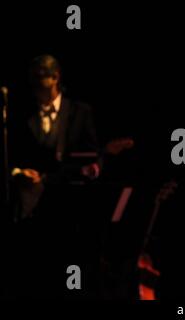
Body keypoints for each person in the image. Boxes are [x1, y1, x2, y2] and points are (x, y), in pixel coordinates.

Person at [8, 54, 101, 298]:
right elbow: (13, 156)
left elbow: (92, 157)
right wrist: (18, 173)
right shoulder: (21, 115)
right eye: (32, 79)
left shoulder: (80, 112)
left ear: (55, 77)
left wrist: (93, 168)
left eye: (41, 78)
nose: (36, 84)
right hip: (32, 212)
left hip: (68, 210)